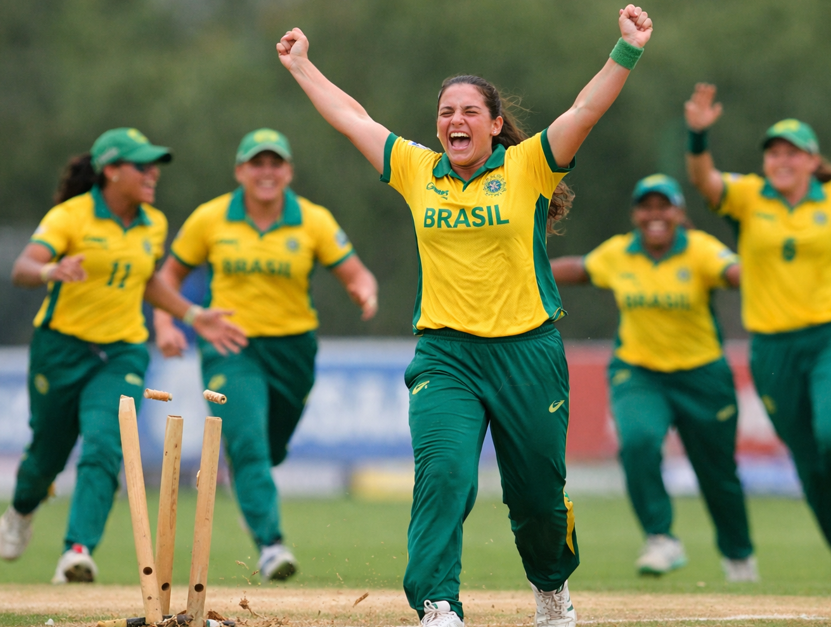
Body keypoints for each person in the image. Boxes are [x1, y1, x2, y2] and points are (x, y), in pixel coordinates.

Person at [276, 5, 652, 626]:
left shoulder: (529, 165)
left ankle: (552, 590)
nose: (455, 120)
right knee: (446, 477)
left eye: (469, 111)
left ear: (494, 123)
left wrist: (627, 51)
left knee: (535, 498)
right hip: (446, 356)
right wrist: (302, 66)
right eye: (447, 112)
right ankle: (438, 603)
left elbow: (584, 111)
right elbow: (353, 119)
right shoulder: (419, 170)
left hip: (527, 352)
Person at [684, 83, 831, 581]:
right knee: (811, 462)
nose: (781, 160)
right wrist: (698, 136)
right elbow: (704, 181)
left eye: (792, 152)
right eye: (773, 152)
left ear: (814, 161)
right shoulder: (750, 198)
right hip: (772, 348)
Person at [0, 128, 246, 583]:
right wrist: (52, 268)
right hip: (61, 349)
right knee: (46, 457)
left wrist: (193, 315)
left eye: (156, 164)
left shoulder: (152, 223)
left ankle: (77, 550)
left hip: (121, 353)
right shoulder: (70, 217)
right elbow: (22, 269)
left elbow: (148, 281)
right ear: (111, 171)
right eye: (142, 165)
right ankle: (20, 511)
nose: (153, 173)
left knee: (104, 444)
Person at [152, 128, 378, 581]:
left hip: (293, 351)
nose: (267, 172)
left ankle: (250, 491)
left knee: (269, 449)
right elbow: (167, 277)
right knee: (248, 443)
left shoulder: (312, 220)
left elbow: (358, 273)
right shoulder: (211, 218)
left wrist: (363, 292)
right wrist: (164, 324)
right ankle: (271, 544)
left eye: (276, 163)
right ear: (241, 171)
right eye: (257, 163)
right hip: (228, 346)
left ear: (289, 171)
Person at [550, 174, 757, 582]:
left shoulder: (699, 250)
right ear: (636, 214)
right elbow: (578, 269)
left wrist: (766, 276)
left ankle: (739, 557)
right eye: (647, 207)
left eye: (665, 207)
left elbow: (734, 273)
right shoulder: (620, 253)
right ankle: (661, 537)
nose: (655, 215)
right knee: (639, 443)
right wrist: (525, 269)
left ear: (679, 213)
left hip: (703, 375)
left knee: (718, 475)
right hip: (640, 372)